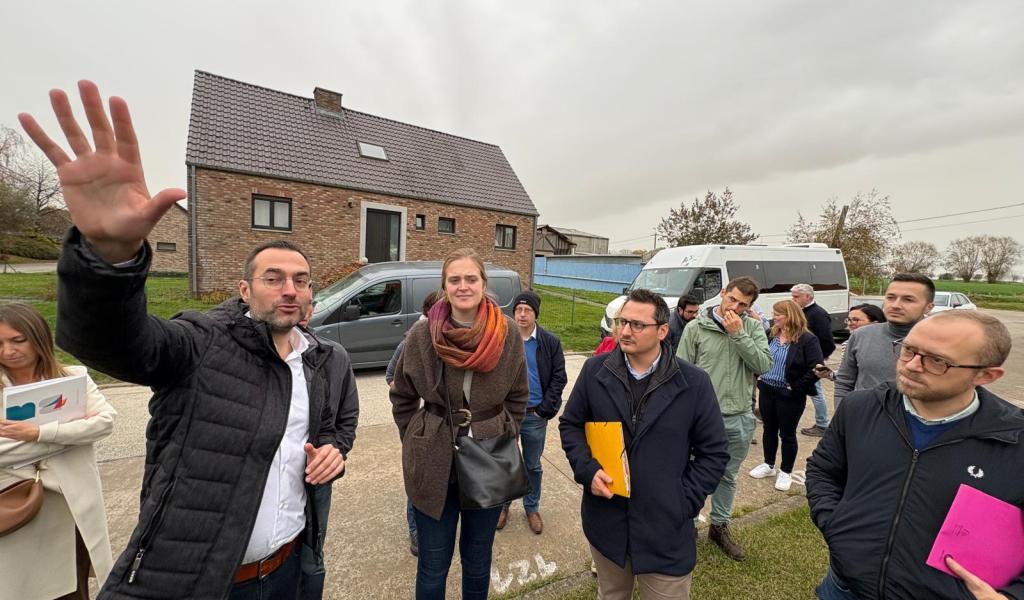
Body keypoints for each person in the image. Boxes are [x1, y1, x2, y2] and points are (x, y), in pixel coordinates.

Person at [18, 82, 347, 599]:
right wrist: (108, 260)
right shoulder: (200, 343)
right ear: (244, 289)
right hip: (200, 583)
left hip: (291, 570)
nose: (290, 290)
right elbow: (116, 344)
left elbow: (333, 427)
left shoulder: (320, 360)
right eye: (273, 278)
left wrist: (334, 449)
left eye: (301, 280)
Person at [806, 310, 1024, 600]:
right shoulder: (860, 407)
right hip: (845, 587)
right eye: (908, 349)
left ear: (986, 375)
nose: (911, 365)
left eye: (937, 361)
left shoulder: (1015, 439)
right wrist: (835, 524)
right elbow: (823, 470)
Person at [560, 289, 729, 600]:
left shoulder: (693, 383)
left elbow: (714, 452)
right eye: (622, 322)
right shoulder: (595, 371)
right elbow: (570, 426)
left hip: (665, 528)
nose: (625, 331)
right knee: (611, 594)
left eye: (637, 325)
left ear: (662, 331)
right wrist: (587, 469)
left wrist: (683, 501)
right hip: (606, 522)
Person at [390, 247, 529, 600]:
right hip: (433, 457)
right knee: (433, 564)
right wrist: (416, 436)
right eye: (455, 279)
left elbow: (518, 393)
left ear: (484, 284)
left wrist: (505, 430)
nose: (463, 286)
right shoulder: (422, 336)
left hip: (489, 455)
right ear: (444, 286)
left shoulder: (507, 333)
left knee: (478, 558)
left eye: (471, 278)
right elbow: (402, 394)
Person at [0, 303, 117, 600]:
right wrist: (71, 433)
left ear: (38, 337)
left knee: (72, 588)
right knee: (23, 587)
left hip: (72, 505)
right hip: (15, 506)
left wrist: (39, 432)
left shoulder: (72, 379)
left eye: (17, 340)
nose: (8, 351)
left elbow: (104, 422)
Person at [677, 276, 771, 561]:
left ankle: (719, 526)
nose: (736, 307)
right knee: (691, 473)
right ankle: (689, 525)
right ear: (722, 294)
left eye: (743, 304)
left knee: (727, 476)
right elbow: (681, 374)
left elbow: (763, 365)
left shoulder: (752, 328)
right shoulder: (696, 328)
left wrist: (738, 334)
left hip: (739, 416)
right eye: (732, 299)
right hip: (701, 419)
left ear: (750, 306)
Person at [297, 304, 360, 600]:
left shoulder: (334, 355)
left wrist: (336, 450)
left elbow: (348, 416)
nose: (303, 308)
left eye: (309, 300)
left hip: (316, 479)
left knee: (312, 555)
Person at [497, 291, 567, 534]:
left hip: (535, 415)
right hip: (508, 415)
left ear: (536, 313)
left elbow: (559, 377)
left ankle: (531, 507)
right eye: (518, 310)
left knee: (533, 465)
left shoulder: (550, 342)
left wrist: (545, 410)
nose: (522, 314)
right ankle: (503, 506)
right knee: (506, 463)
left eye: (527, 310)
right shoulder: (503, 338)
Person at [385, 290, 441, 557]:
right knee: (417, 484)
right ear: (430, 312)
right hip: (422, 429)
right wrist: (414, 426)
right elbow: (391, 377)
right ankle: (416, 532)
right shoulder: (416, 338)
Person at [747, 300, 822, 491]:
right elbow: (758, 356)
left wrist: (795, 387)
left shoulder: (807, 339)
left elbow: (817, 368)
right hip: (767, 389)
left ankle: (786, 472)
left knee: (787, 434)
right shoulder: (771, 335)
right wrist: (759, 379)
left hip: (790, 395)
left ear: (790, 315)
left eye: (778, 314)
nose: (774, 317)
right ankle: (768, 464)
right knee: (768, 430)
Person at [832, 274, 935, 411]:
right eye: (891, 297)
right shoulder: (861, 335)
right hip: (863, 421)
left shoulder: (942, 343)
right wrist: (843, 419)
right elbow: (844, 382)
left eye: (908, 299)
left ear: (929, 307)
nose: (896, 305)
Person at [789, 284, 837, 438]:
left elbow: (827, 341)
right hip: (800, 361)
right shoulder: (801, 312)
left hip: (811, 363)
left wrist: (818, 359)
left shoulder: (818, 314)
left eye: (796, 296)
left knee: (816, 391)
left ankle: (823, 424)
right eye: (793, 296)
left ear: (807, 297)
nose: (793, 299)